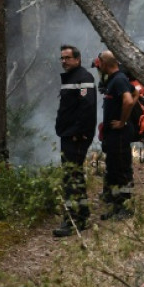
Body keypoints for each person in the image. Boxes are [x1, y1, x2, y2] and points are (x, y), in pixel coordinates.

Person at [53, 45, 98, 237]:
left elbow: (87, 107)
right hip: (68, 135)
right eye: (62, 58)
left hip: (75, 137)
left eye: (68, 58)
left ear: (77, 59)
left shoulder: (84, 78)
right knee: (74, 175)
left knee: (71, 177)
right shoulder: (71, 78)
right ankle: (82, 215)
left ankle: (73, 220)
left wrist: (79, 133)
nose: (64, 61)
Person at [97, 51, 136, 220]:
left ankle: (126, 208)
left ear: (106, 63)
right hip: (112, 136)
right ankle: (116, 205)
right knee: (113, 170)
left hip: (119, 134)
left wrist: (122, 121)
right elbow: (135, 93)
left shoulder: (119, 79)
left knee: (121, 171)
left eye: (100, 64)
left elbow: (128, 100)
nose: (99, 67)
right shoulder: (115, 79)